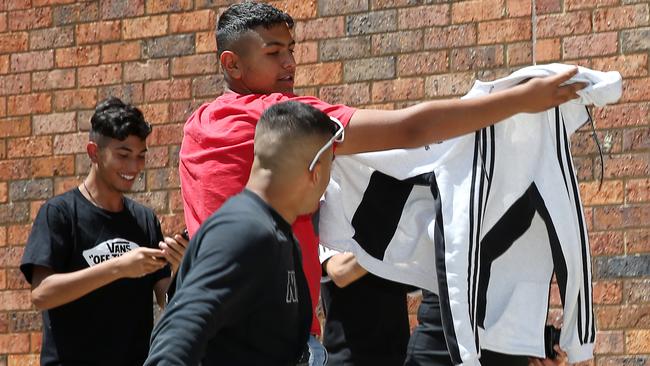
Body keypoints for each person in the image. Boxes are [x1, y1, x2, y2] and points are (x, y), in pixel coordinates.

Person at [178, 2, 586, 362]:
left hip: (222, 326)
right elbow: (409, 130)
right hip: (276, 336)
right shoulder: (277, 116)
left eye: (291, 51)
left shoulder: (197, 126)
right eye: (273, 53)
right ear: (231, 64)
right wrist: (522, 101)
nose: (289, 63)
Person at [145, 101, 340, 365]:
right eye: (331, 165)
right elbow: (175, 340)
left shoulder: (282, 238)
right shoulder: (243, 232)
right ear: (315, 172)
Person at [20, 97, 188, 366]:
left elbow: (166, 301)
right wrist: (118, 268)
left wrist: (181, 270)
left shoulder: (145, 220)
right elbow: (42, 294)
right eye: (123, 155)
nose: (134, 167)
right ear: (94, 152)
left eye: (141, 156)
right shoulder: (60, 214)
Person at [320, 248, 410, 365]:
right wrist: (387, 242)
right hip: (348, 356)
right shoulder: (330, 231)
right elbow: (340, 271)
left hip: (397, 353)